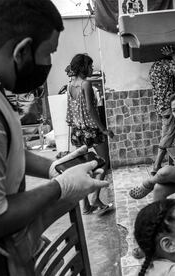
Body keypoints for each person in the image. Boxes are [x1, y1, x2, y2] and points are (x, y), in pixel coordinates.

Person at [0, 1, 108, 274]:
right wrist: (60, 187)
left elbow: (4, 150)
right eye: (48, 53)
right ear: (22, 50)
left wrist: (53, 167)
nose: (50, 64)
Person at [66, 54, 114, 215]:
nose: (92, 69)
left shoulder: (70, 85)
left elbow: (72, 110)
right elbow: (90, 109)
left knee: (81, 168)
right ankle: (94, 197)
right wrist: (103, 129)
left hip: (77, 131)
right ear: (83, 67)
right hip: (91, 130)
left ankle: (86, 207)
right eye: (90, 66)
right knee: (104, 162)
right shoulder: (86, 84)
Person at [149, 45, 175, 175]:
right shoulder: (165, 64)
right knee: (168, 135)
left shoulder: (153, 67)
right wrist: (174, 54)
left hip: (162, 108)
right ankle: (156, 166)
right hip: (169, 108)